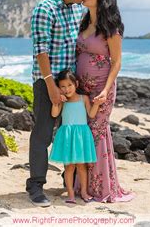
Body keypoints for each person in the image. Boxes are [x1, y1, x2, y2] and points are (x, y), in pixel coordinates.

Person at [26, 0, 89, 207]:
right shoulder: (45, 9)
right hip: (47, 82)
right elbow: (41, 51)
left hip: (70, 85)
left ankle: (68, 181)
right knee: (42, 134)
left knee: (70, 132)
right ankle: (35, 186)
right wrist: (51, 86)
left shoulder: (77, 9)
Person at [75, 0, 134, 202]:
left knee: (97, 134)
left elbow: (117, 62)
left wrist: (106, 90)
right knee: (84, 133)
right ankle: (83, 186)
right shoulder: (83, 24)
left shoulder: (111, 28)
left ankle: (101, 188)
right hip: (81, 89)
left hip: (101, 88)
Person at [49, 69, 105, 204]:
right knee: (69, 167)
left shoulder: (83, 98)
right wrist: (56, 101)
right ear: (59, 88)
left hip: (81, 136)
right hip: (68, 137)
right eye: (62, 86)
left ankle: (84, 193)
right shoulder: (63, 101)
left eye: (69, 85)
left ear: (76, 84)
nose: (66, 89)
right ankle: (71, 195)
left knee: (81, 166)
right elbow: (54, 114)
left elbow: (91, 114)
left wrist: (96, 104)